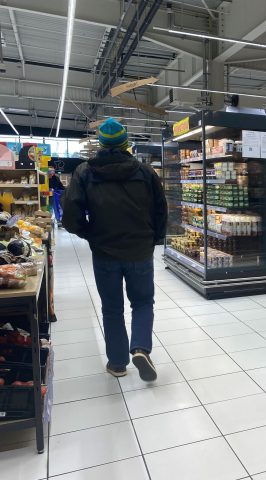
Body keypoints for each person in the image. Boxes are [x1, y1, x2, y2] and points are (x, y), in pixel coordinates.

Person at [63, 118, 167, 381]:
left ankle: (118, 363)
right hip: (139, 251)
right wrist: (154, 239)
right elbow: (160, 210)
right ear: (125, 143)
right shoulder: (145, 172)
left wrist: (91, 235)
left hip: (105, 252)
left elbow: (71, 216)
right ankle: (141, 348)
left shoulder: (84, 172)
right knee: (143, 302)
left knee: (111, 307)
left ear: (101, 144)